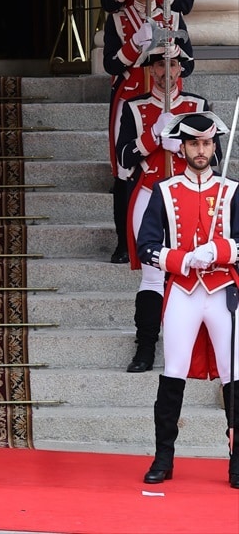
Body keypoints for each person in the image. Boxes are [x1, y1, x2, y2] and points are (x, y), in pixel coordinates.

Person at [137, 111, 238, 489]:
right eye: (194, 143)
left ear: (215, 147)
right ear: (182, 147)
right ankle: (163, 458)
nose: (201, 150)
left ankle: (237, 460)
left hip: (222, 290)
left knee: (235, 376)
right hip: (182, 290)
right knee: (172, 373)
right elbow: (146, 245)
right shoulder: (164, 191)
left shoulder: (231, 189)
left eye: (207, 143)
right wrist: (181, 259)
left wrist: (220, 249)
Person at [116, 45, 214, 373]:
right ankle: (145, 348)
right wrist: (154, 136)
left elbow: (212, 158)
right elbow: (123, 159)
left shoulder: (198, 106)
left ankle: (196, 346)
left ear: (181, 69)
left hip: (191, 195)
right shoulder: (135, 106)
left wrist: (185, 145)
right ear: (151, 69)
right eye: (160, 65)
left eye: (173, 65)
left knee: (198, 270)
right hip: (150, 195)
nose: (166, 72)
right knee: (153, 276)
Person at [103, 0, 193, 263]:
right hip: (130, 94)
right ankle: (124, 242)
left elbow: (190, 65)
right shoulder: (117, 18)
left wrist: (175, 51)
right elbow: (110, 64)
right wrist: (135, 46)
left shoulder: (175, 17)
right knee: (125, 168)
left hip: (167, 93)